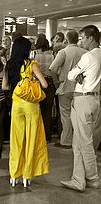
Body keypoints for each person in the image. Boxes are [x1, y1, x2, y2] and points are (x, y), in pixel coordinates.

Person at [61, 25, 101, 192]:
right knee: (78, 142)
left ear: (91, 38)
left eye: (83, 38)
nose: (81, 41)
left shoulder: (88, 56)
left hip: (82, 100)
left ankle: (92, 178)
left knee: (84, 142)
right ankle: (78, 179)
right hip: (96, 99)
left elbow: (70, 75)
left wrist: (76, 73)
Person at [7, 36, 49, 188]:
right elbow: (44, 84)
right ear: (26, 50)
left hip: (16, 103)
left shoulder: (9, 64)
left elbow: (4, 86)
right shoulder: (32, 64)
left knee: (16, 140)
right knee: (32, 140)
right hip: (31, 105)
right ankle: (27, 175)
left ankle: (14, 174)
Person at [49, 30, 87, 148]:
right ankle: (79, 139)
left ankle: (66, 140)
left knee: (65, 115)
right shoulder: (85, 52)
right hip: (81, 88)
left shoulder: (63, 52)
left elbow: (53, 68)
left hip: (65, 86)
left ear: (66, 39)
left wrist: (56, 82)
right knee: (79, 115)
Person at [34, 36, 55, 142]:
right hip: (50, 82)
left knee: (38, 110)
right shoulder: (52, 56)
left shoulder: (35, 56)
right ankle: (48, 135)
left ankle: (39, 135)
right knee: (48, 111)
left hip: (39, 83)